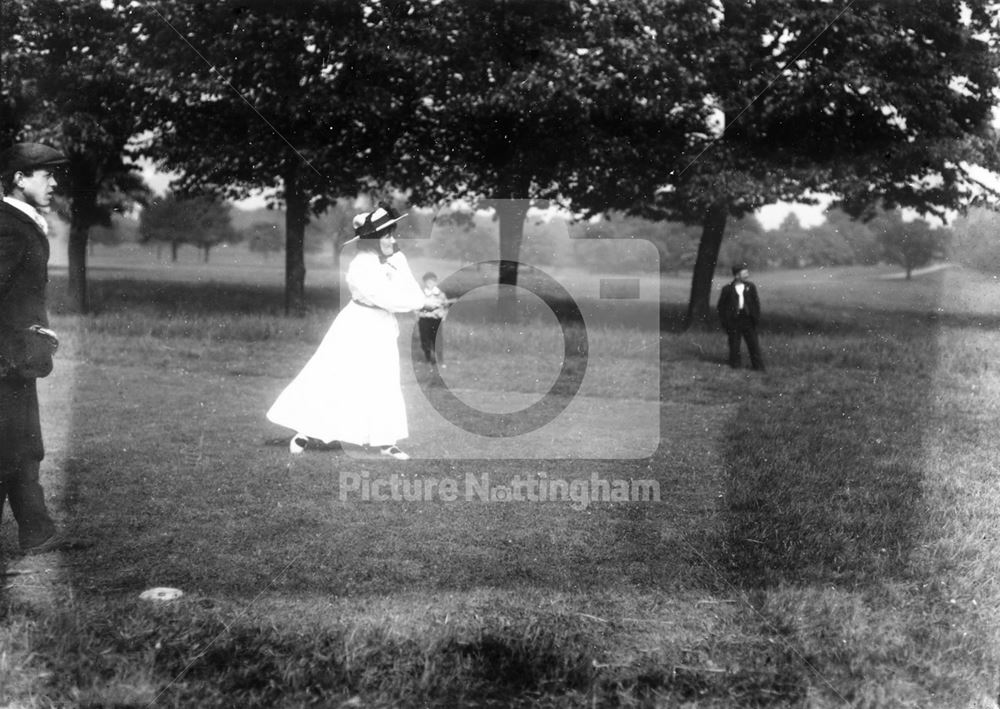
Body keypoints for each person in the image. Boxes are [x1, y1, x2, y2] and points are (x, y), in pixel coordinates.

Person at [267, 202, 430, 460]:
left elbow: (415, 295)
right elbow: (386, 297)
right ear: (373, 240)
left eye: (392, 234)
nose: (392, 239)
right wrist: (409, 299)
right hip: (357, 324)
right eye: (387, 235)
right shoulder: (360, 266)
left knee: (384, 380)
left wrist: (411, 296)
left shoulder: (398, 258)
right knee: (334, 375)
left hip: (383, 327)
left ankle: (386, 441)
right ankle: (305, 431)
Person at [0, 142, 70, 555]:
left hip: (16, 360)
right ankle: (38, 532)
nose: (54, 183)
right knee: (10, 447)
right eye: (46, 175)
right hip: (4, 360)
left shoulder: (21, 223)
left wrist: (37, 334)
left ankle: (39, 532)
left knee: (24, 446)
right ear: (19, 179)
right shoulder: (8, 227)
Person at [716, 262, 765, 371]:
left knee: (753, 344)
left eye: (747, 272)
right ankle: (735, 365)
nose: (747, 275)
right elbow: (721, 306)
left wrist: (755, 317)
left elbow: (756, 303)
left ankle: (758, 367)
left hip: (748, 319)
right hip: (734, 320)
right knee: (734, 344)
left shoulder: (750, 287)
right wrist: (726, 321)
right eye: (744, 273)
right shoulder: (727, 289)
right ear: (737, 275)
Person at [416, 271, 450, 366]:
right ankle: (428, 359)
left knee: (437, 340)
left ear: (435, 282)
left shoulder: (440, 294)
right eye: (428, 282)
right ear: (424, 283)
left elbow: (446, 306)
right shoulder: (421, 294)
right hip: (424, 320)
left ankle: (440, 360)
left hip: (436, 320)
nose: (430, 284)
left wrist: (443, 317)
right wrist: (418, 316)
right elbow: (416, 307)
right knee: (425, 339)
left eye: (432, 282)